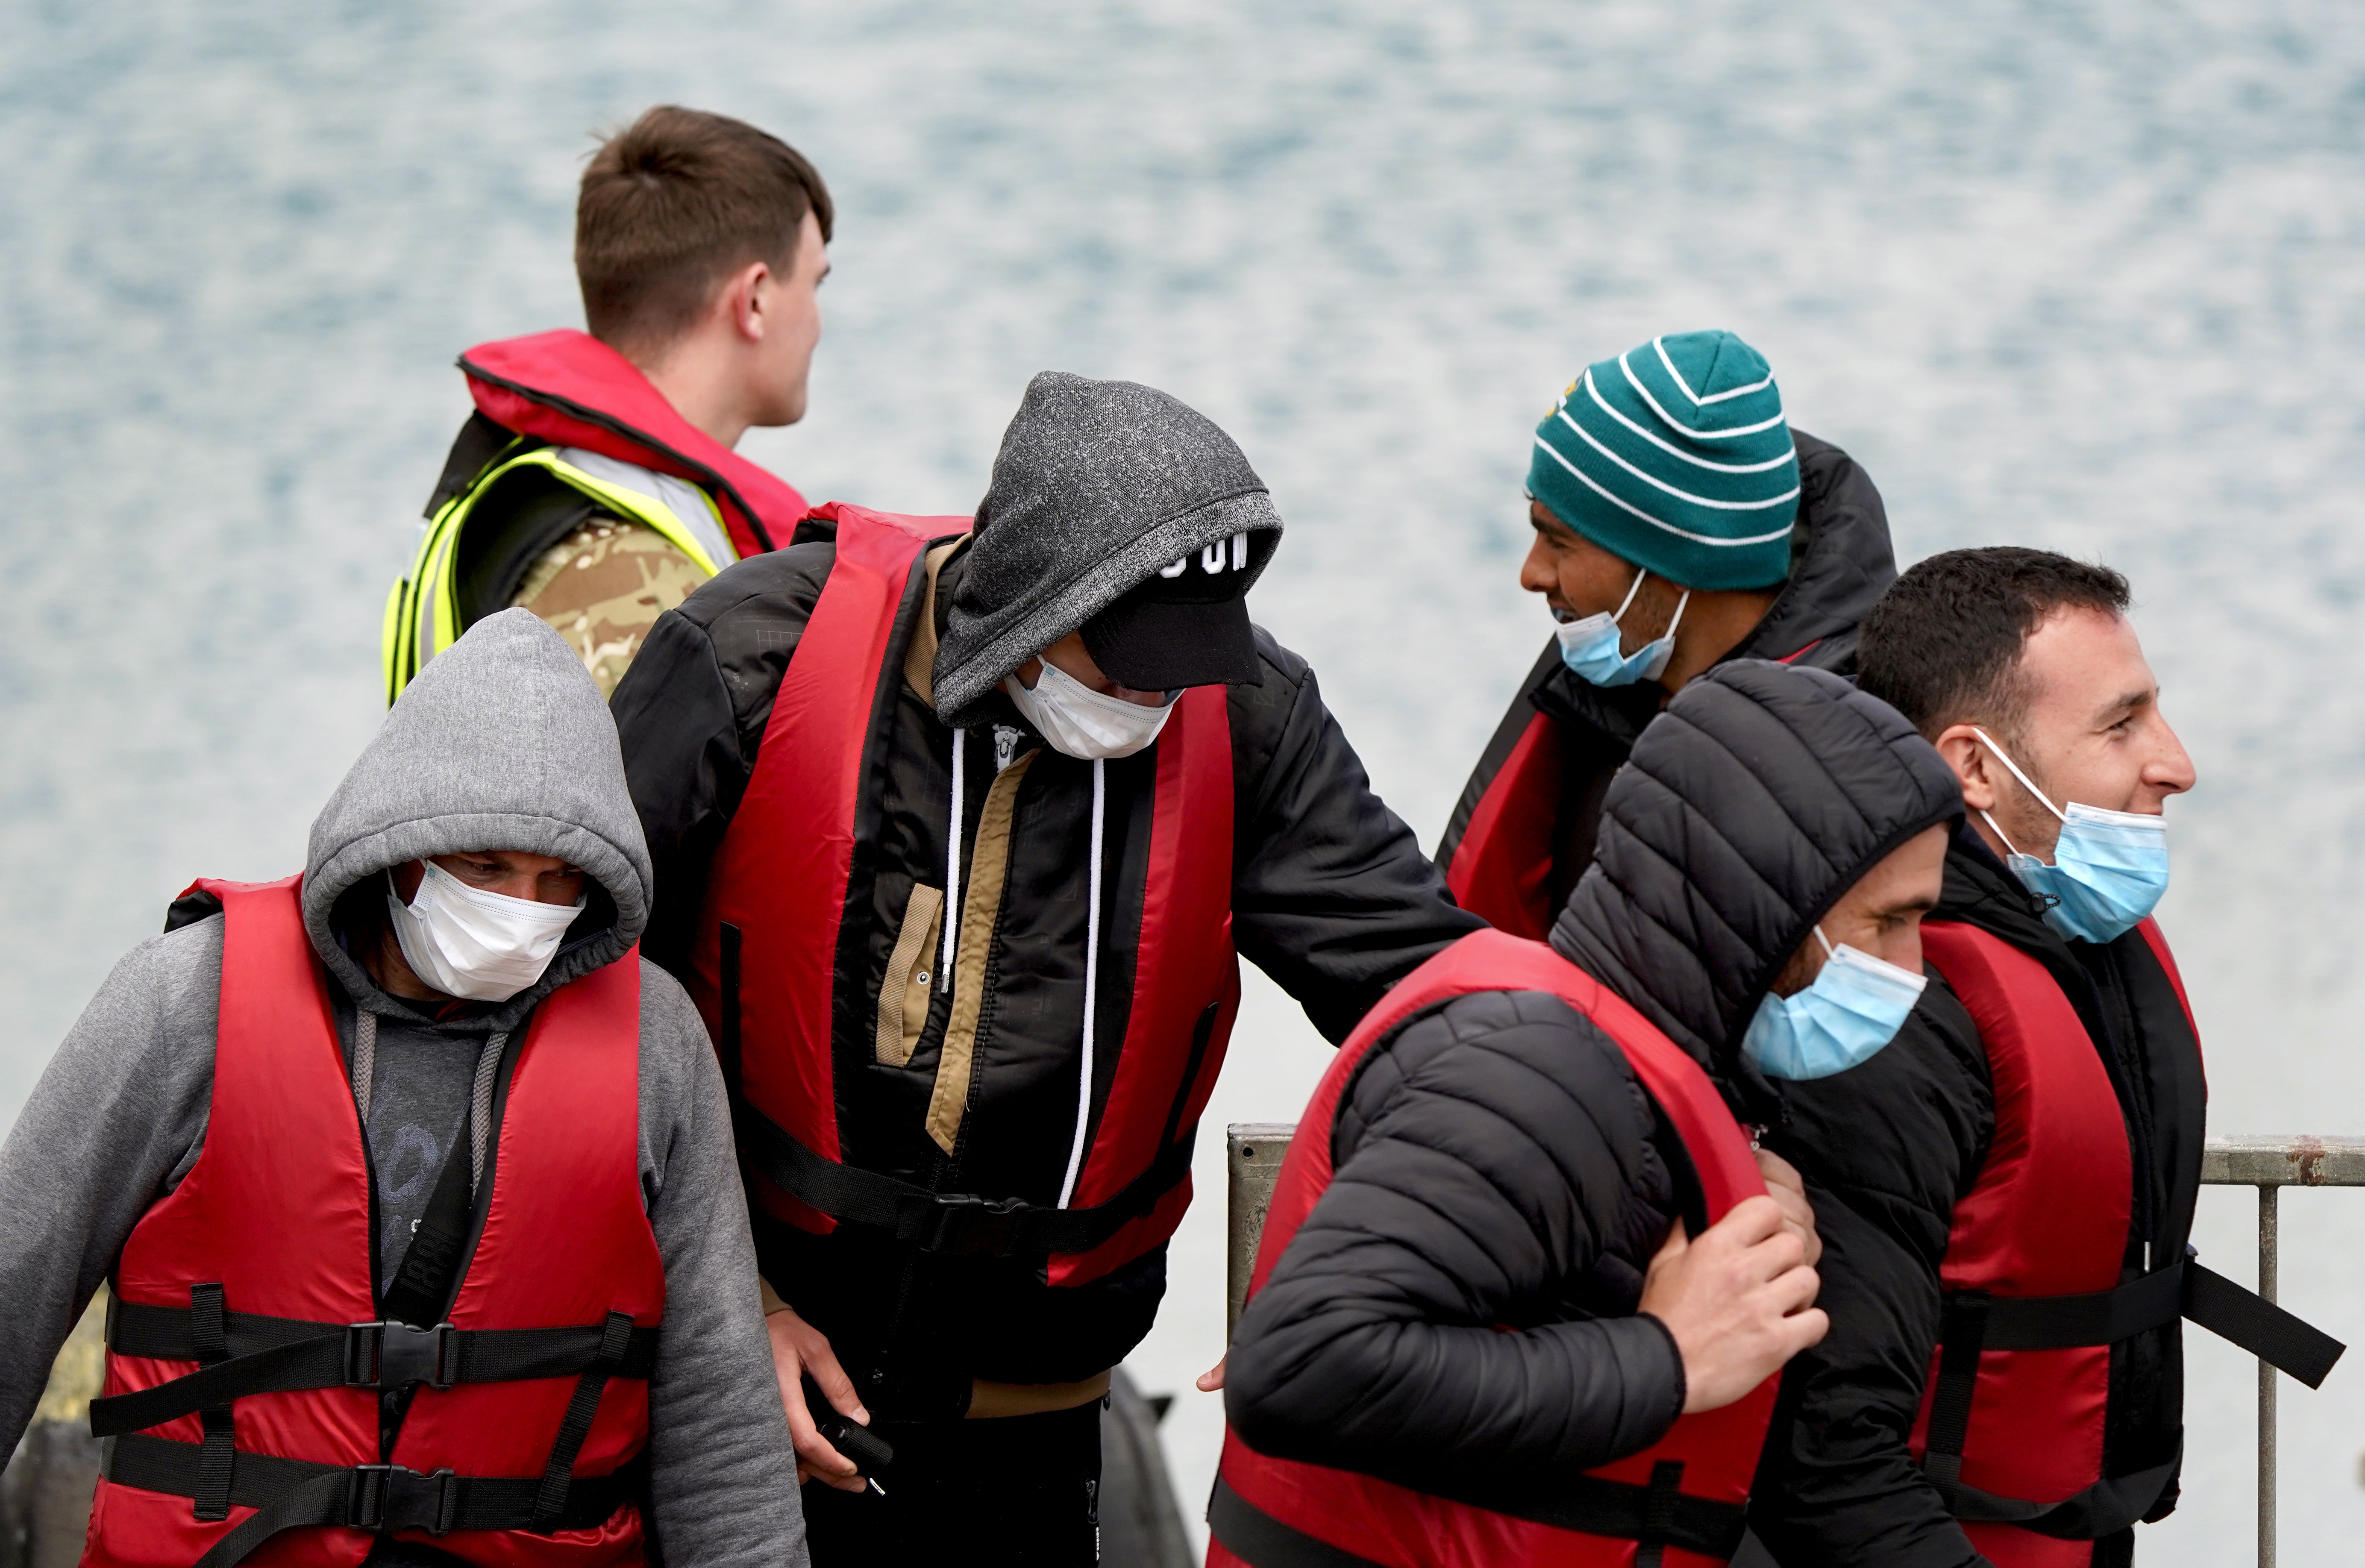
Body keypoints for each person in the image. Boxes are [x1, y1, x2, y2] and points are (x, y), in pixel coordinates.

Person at [609, 370, 1486, 1563]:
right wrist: (733, 1308)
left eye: (1184, 665)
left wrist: (1363, 1265)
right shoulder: (750, 654)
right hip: (753, 1389)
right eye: (1126, 661)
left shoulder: (1253, 720)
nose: (1154, 696)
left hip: (1034, 1433)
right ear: (1023, 590)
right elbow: (577, 1002)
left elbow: (1437, 1009)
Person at [0, 611, 804, 1568]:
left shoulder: (657, 1041)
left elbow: (717, 1409)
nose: (524, 909)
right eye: (486, 866)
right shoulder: (183, 1001)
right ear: (399, 847)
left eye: (560, 880)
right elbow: (18, 1278)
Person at [1212, 661, 1963, 1568]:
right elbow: (1296, 1367)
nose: (1911, 970)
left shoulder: (1651, 1069)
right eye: (1887, 921)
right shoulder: (1540, 1074)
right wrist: (1670, 1355)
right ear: (1769, 903)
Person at [1750, 549, 2340, 1568]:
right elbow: (1825, 1454)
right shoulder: (1898, 1013)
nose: (2176, 762)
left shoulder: (2075, 941)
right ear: (1973, 767)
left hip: (2073, 1528)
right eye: (2120, 725)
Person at [1437, 329, 1898, 938]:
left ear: (1679, 565)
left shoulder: (1833, 778)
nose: (1531, 574)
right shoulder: (1622, 661)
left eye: (1558, 540)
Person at [385, 106, 830, 702]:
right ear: (753, 301)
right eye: (814, 283)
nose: (819, 322)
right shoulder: (637, 580)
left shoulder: (524, 479)